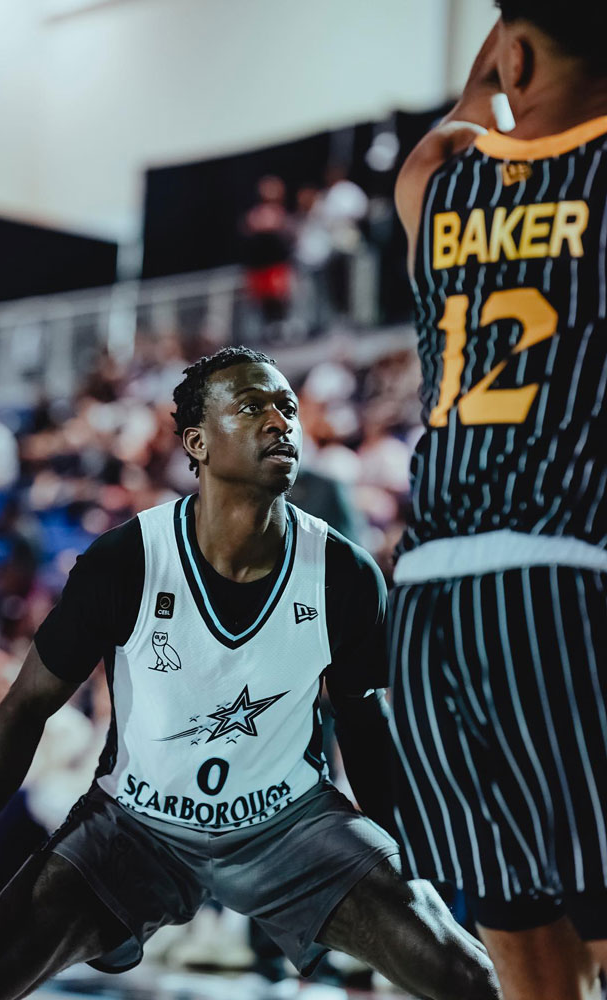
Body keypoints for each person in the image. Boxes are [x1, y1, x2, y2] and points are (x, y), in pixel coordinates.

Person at [0, 346, 498, 1000]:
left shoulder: (346, 573)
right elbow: (25, 707)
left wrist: (400, 852)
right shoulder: (127, 561)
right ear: (197, 442)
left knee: (466, 975)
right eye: (253, 407)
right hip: (135, 825)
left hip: (288, 824)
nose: (281, 422)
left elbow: (362, 716)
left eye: (288, 408)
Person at [390, 5, 607, 999]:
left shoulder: (436, 180)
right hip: (566, 580)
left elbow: (469, 105)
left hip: (429, 601)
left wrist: (502, 39)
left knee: (515, 920)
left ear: (513, 52)